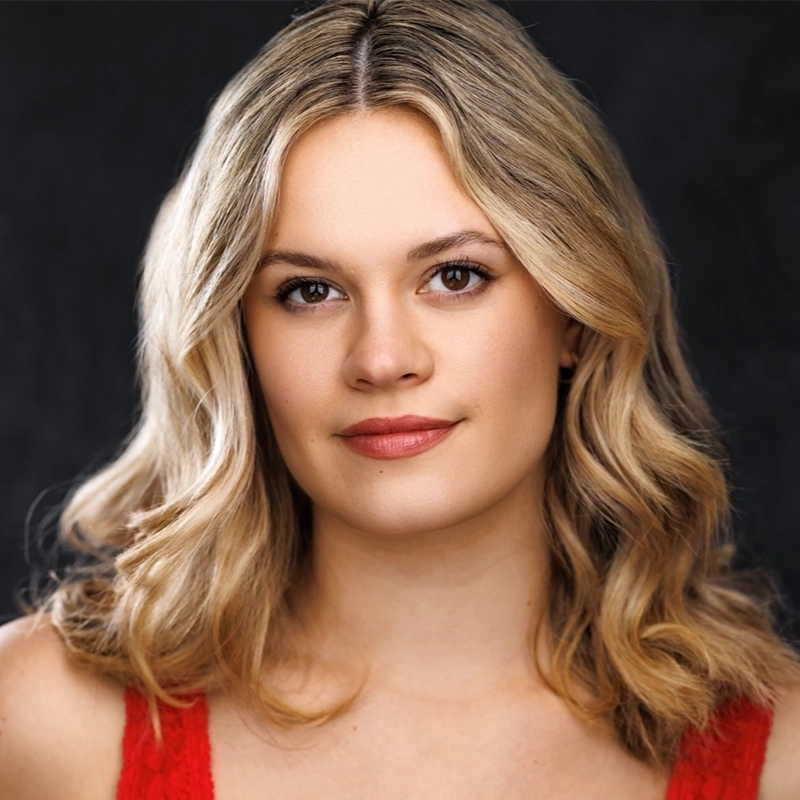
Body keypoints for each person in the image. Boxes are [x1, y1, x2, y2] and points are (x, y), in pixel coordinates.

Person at [1, 0, 798, 797]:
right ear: (235, 336)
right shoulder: (38, 721)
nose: (382, 359)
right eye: (309, 291)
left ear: (577, 313)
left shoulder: (780, 758)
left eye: (455, 277)